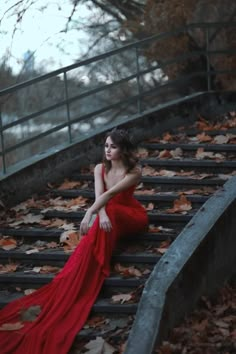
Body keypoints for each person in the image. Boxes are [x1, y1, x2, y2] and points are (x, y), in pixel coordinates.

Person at [0, 128, 148, 354]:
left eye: (113, 146)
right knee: (106, 217)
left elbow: (109, 196)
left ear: (124, 150)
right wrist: (101, 213)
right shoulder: (100, 168)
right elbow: (101, 198)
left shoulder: (134, 171)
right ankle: (87, 265)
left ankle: (95, 264)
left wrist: (90, 213)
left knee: (111, 212)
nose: (107, 150)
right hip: (108, 216)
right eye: (106, 146)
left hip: (132, 216)